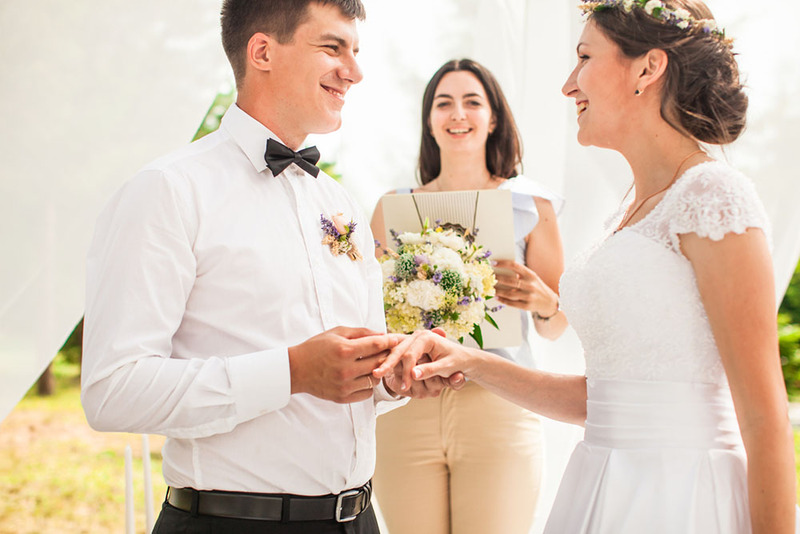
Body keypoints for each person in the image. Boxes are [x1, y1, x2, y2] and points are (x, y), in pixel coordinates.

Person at [374, 1, 798, 533]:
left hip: (682, 495)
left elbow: (763, 419)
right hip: (602, 480)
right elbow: (606, 398)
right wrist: (471, 360)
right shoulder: (627, 209)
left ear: (648, 69)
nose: (568, 85)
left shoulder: (713, 196)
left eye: (583, 57)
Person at [80, 1, 443, 533]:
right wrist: (292, 372)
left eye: (356, 51)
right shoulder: (168, 191)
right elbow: (113, 392)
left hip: (359, 520)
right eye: (332, 47)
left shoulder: (340, 201)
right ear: (263, 51)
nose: (356, 72)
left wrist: (393, 379)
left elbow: (345, 378)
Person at [369, 58, 567, 534]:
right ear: (430, 121)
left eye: (472, 101)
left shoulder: (531, 205)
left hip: (501, 403)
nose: (458, 113)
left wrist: (544, 301)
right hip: (408, 405)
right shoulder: (390, 208)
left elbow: (556, 325)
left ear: (493, 118)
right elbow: (370, 312)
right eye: (444, 103)